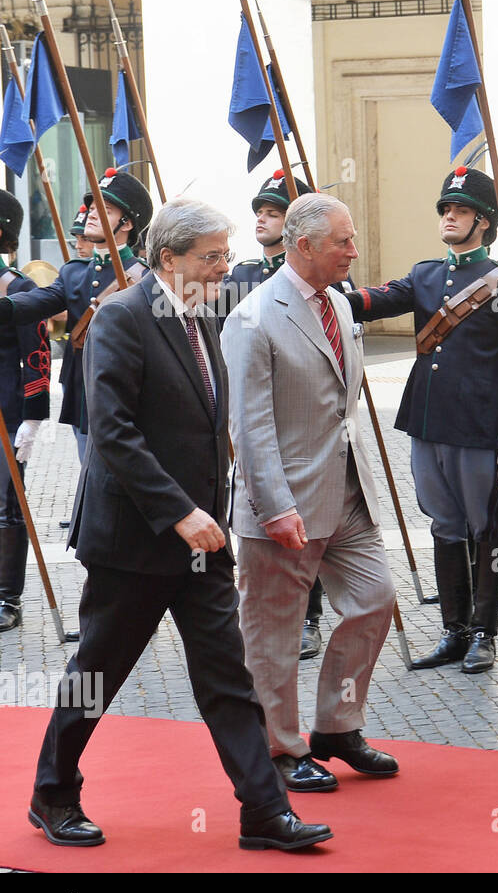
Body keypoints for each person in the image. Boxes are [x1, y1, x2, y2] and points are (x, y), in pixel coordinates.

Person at [25, 199, 330, 850]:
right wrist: (179, 512)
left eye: (224, 253)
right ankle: (52, 792)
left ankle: (264, 811)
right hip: (134, 541)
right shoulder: (121, 317)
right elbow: (112, 433)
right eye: (211, 256)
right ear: (169, 258)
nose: (224, 265)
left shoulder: (203, 313)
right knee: (98, 672)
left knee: (227, 675)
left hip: (202, 544)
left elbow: (206, 425)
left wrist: (217, 510)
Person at [222, 193, 399, 791]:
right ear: (303, 247)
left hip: (347, 493)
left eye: (351, 239)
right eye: (342, 242)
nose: (354, 250)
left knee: (375, 598)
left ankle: (337, 727)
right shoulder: (253, 316)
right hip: (284, 504)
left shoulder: (339, 304)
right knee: (272, 634)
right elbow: (249, 427)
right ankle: (279, 747)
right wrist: (274, 507)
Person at [344, 166, 498, 673]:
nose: (450, 217)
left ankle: (483, 633)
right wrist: (337, 288)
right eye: (447, 210)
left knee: (485, 526)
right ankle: (453, 631)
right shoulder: (426, 275)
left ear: (484, 223)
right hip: (428, 420)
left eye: (462, 210)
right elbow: (378, 301)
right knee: (444, 524)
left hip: (477, 426)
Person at [223, 169, 329, 662]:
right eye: (260, 213)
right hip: (251, 411)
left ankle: (309, 617)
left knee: (303, 520)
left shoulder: (318, 282)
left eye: (273, 213)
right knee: (259, 515)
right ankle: (260, 614)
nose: (262, 221)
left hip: (303, 423)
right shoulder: (241, 276)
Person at [0, 170, 150, 465]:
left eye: (104, 210)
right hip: (84, 392)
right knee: (89, 475)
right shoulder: (74, 272)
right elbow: (37, 301)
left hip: (128, 397)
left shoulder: (144, 276)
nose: (92, 215)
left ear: (127, 223)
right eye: (92, 208)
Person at [0, 190, 50, 632]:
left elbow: (37, 355)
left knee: (5, 504)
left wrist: (32, 417)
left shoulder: (19, 287)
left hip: (7, 410)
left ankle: (6, 596)